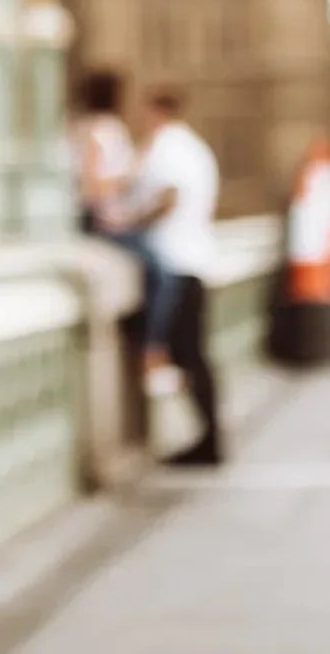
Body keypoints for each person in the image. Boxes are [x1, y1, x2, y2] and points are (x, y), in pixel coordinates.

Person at [131, 88, 223, 466]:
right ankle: (208, 438)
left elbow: (169, 198)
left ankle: (205, 441)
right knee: (195, 355)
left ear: (156, 111)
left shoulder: (167, 145)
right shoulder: (196, 148)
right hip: (198, 259)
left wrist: (131, 222)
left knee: (181, 355)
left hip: (176, 264)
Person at [70, 69, 175, 387]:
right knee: (160, 273)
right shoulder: (101, 130)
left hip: (117, 218)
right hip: (107, 222)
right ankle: (152, 350)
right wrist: (130, 174)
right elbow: (93, 188)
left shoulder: (93, 129)